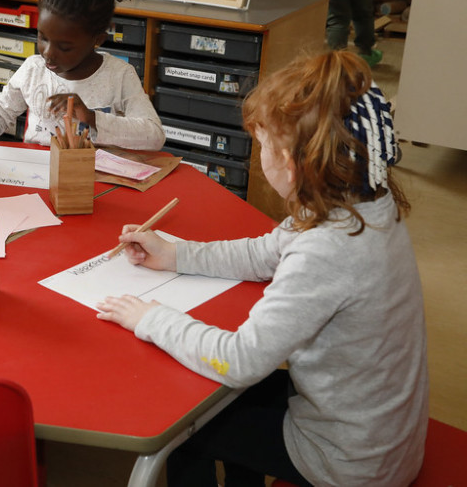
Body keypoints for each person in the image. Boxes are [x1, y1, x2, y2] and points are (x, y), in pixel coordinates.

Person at [96, 51, 428, 486]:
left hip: (347, 463)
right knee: (232, 405)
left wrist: (150, 317)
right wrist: (176, 255)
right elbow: (265, 252)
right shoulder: (362, 200)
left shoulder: (326, 250)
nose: (259, 155)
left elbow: (240, 361)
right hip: (378, 435)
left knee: (181, 430)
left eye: (262, 144)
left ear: (291, 163)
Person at [0, 0, 165, 149]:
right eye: (42, 37)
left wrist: (90, 117)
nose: (48, 53)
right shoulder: (33, 70)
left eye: (64, 46)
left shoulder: (119, 75)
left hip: (91, 183)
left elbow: (154, 136)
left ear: (97, 39)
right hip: (37, 178)